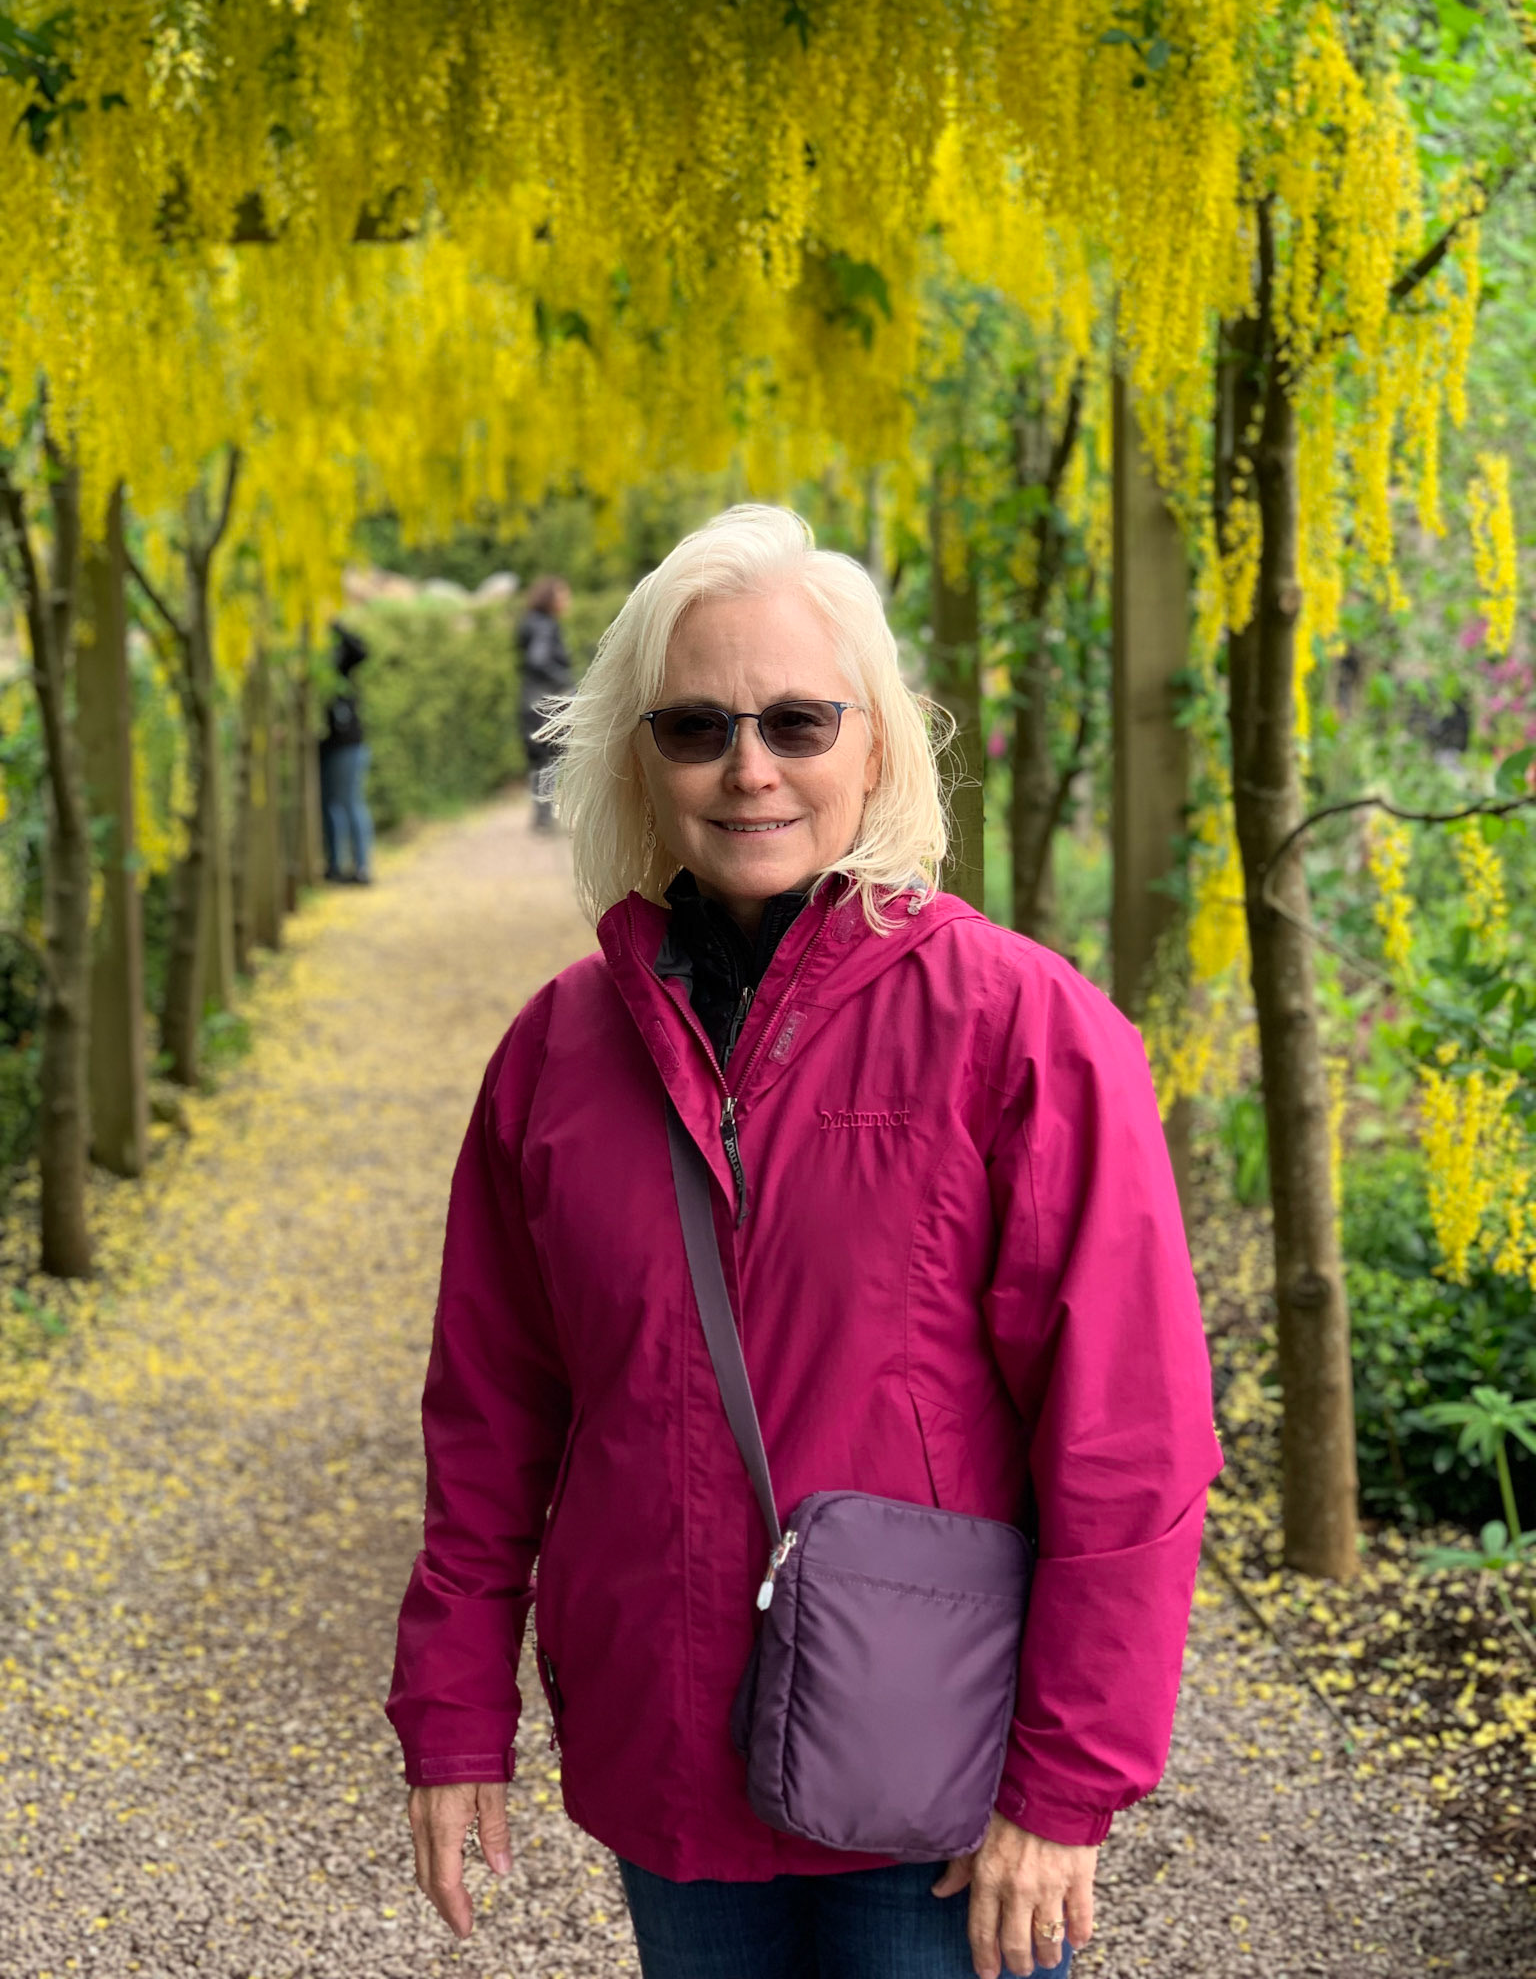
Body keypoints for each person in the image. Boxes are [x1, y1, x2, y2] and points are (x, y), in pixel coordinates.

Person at [387, 506, 1223, 1979]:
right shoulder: (557, 1054)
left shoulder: (1022, 1030)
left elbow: (1128, 1433)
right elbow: (492, 1416)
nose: (750, 767)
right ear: (639, 758)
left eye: (797, 720)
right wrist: (454, 1714)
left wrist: (1067, 1786)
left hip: (936, 1770)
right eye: (697, 726)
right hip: (669, 1767)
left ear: (876, 743)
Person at [319, 619, 374, 886]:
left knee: (349, 802)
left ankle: (361, 867)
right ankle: (335, 866)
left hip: (347, 743)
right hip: (324, 744)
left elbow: (361, 650)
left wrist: (331, 622)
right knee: (329, 805)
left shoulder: (342, 661)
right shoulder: (317, 662)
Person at [516, 575, 574, 830]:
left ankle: (541, 817)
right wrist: (565, 681)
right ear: (550, 598)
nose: (567, 600)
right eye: (563, 595)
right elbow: (537, 660)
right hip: (546, 704)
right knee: (551, 758)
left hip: (529, 700)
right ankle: (544, 817)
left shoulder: (529, 622)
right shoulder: (546, 626)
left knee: (538, 760)